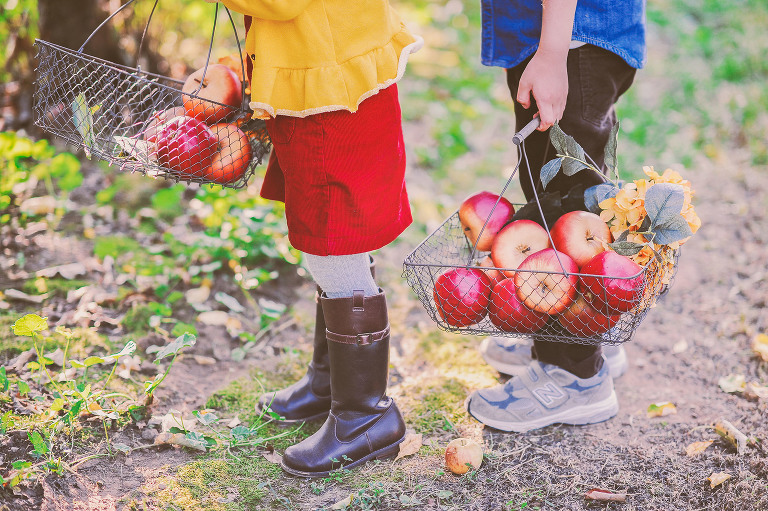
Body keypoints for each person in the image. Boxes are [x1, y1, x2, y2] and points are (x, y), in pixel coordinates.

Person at [208, 0, 423, 477]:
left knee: (332, 234)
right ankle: (332, 383)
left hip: (331, 81)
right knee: (324, 229)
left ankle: (364, 416)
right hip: (318, 65)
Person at [466, 0, 645, 432]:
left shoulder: (559, 49)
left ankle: (573, 373)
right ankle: (586, 341)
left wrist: (551, 53)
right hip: (571, 35)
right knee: (566, 198)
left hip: (566, 39)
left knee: (568, 199)